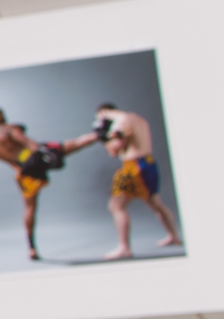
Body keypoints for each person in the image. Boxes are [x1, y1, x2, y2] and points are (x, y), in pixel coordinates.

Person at [57, 102, 179, 260]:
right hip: (148, 163)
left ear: (103, 113)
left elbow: (115, 150)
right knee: (155, 203)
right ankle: (174, 237)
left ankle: (124, 248)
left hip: (133, 167)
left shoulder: (120, 122)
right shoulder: (137, 118)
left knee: (116, 206)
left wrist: (104, 138)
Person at [0, 109, 66, 261]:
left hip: (22, 170)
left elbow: (6, 156)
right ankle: (96, 135)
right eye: (1, 116)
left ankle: (32, 248)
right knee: (68, 146)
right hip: (31, 161)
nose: (4, 119)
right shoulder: (6, 130)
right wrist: (42, 153)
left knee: (30, 208)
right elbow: (30, 143)